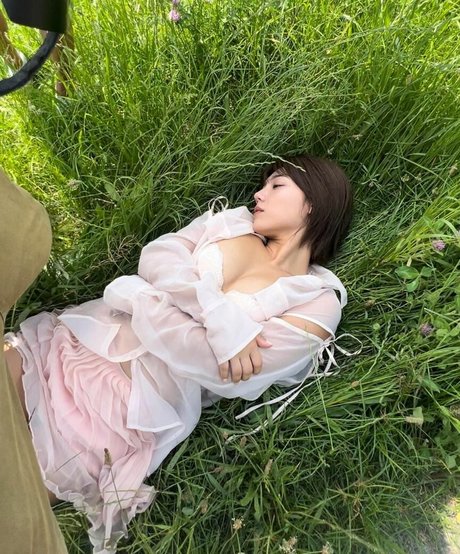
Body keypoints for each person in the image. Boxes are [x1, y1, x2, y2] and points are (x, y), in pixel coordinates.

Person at [3, 154, 362, 553]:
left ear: (314, 201)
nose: (259, 195)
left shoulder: (317, 302)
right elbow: (157, 258)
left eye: (276, 186)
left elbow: (226, 371)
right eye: (263, 186)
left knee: (9, 500)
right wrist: (223, 322)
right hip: (72, 346)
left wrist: (139, 296)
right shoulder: (231, 223)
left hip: (119, 417)